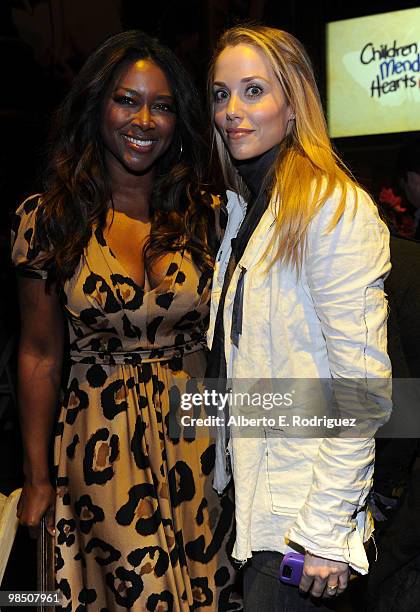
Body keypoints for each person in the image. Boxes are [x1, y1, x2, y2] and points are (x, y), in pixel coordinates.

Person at [12, 30, 240, 611]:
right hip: (98, 451)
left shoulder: (210, 216)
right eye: (126, 99)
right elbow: (39, 353)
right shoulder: (50, 220)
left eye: (162, 106)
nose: (144, 119)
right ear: (97, 106)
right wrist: (37, 478)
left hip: (201, 446)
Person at [206, 25, 391, 610]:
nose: (232, 111)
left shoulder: (331, 207)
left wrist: (325, 534)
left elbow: (362, 391)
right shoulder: (246, 210)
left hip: (304, 525)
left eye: (253, 90)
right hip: (262, 509)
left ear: (294, 105)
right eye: (220, 94)